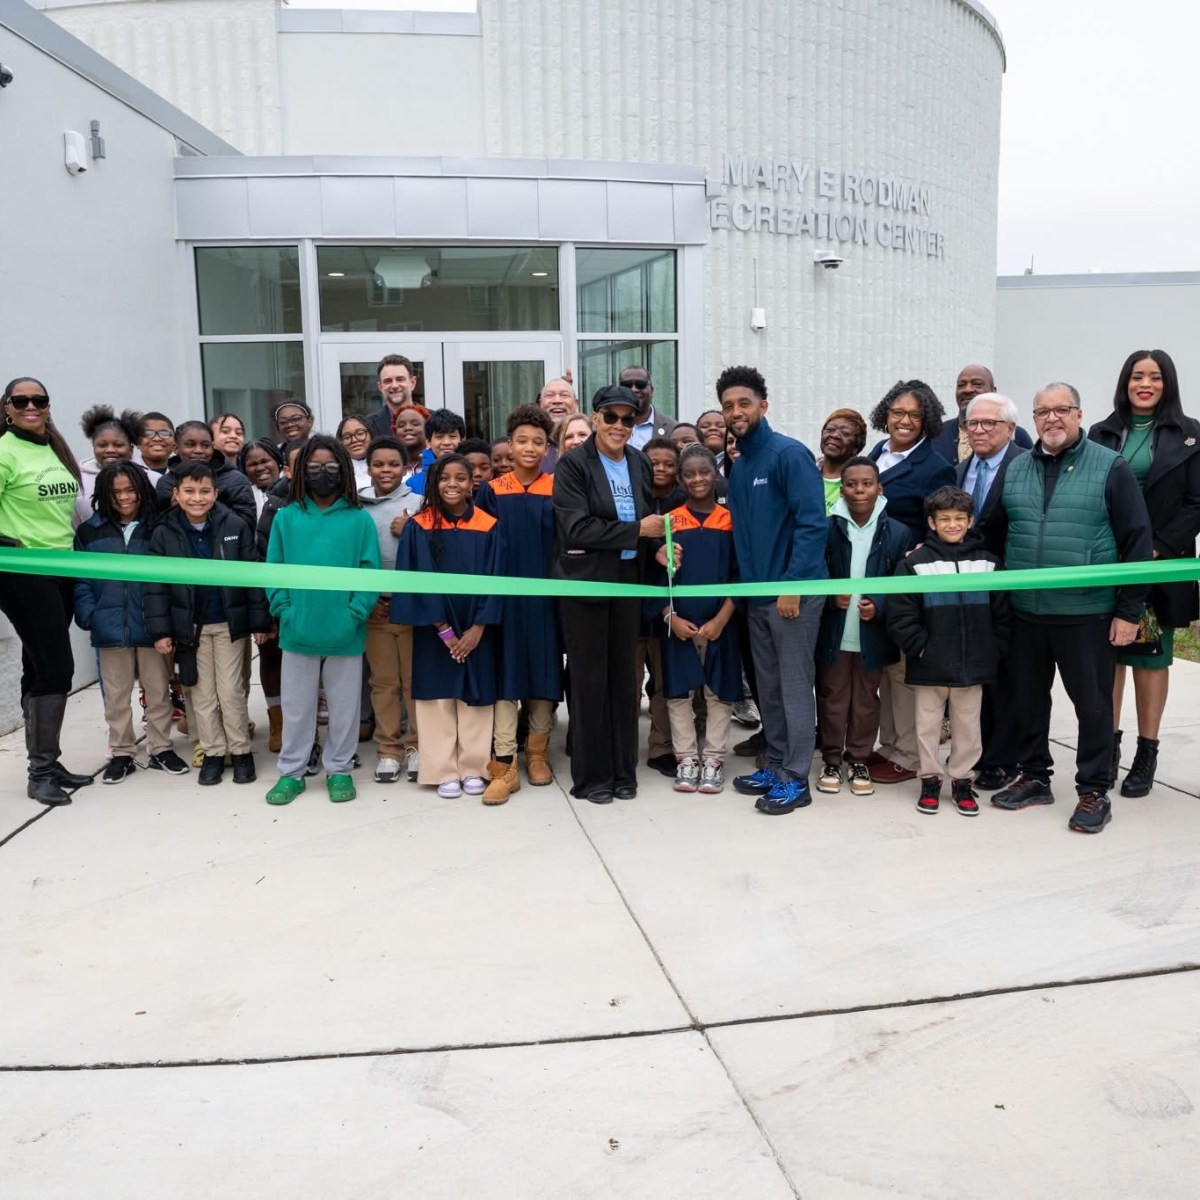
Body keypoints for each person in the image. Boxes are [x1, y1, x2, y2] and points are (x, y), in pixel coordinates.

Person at [986, 383, 1153, 834]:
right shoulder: (1016, 467)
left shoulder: (1110, 467)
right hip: (1026, 611)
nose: (1052, 419)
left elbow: (1138, 542)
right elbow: (990, 531)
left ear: (1079, 415)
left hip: (1087, 611)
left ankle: (1094, 788)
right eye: (1043, 412)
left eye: (1062, 410)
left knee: (1093, 705)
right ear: (1033, 420)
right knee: (1026, 698)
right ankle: (1035, 776)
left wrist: (1129, 611)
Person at [1089, 349, 1200, 797]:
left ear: (1167, 383)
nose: (1145, 384)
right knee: (1107, 657)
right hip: (1106, 562)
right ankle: (1107, 748)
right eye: (1137, 376)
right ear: (1125, 382)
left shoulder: (1191, 435)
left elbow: (1197, 502)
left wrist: (1156, 546)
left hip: (1159, 560)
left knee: (1150, 657)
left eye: (1154, 377)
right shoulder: (1100, 433)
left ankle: (1146, 753)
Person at [719, 365, 828, 815]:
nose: (736, 411)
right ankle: (778, 762)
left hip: (792, 595)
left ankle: (797, 778)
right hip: (757, 596)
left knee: (794, 686)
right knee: (769, 686)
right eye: (728, 405)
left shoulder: (789, 455)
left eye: (745, 403)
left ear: (764, 406)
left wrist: (794, 585)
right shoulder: (742, 465)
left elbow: (811, 523)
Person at [552, 385, 661, 803]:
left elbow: (647, 521)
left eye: (627, 419)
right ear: (595, 418)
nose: (619, 426)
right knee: (589, 681)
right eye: (610, 417)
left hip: (628, 581)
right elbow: (575, 529)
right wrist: (638, 531)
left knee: (624, 681)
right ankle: (592, 777)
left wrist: (660, 545)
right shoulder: (574, 465)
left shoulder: (638, 462)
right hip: (586, 585)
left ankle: (622, 772)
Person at [264, 436, 380, 806]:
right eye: (314, 467)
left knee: (345, 709)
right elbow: (274, 569)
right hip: (297, 629)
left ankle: (340, 769)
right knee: (297, 708)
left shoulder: (359, 519)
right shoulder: (286, 517)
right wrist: (284, 609)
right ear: (301, 473)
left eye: (331, 467)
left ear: (344, 471)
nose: (323, 474)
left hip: (346, 630)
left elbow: (369, 571)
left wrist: (356, 612)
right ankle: (292, 772)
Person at [886, 485, 1010, 817]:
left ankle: (962, 781)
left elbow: (1002, 614)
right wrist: (921, 648)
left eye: (959, 518)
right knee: (926, 725)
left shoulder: (988, 563)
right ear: (932, 522)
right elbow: (900, 614)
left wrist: (993, 650)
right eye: (945, 519)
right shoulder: (915, 563)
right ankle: (929, 779)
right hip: (930, 664)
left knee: (968, 725)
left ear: (970, 521)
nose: (952, 525)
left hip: (973, 665)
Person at [144, 461, 270, 786]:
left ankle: (240, 751)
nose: (197, 498)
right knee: (200, 694)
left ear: (215, 493)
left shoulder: (235, 524)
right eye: (189, 491)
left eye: (204, 491)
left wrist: (259, 620)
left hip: (229, 624)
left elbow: (252, 576)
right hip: (191, 629)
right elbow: (156, 586)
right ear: (176, 494)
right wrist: (161, 631)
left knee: (230, 691)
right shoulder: (164, 532)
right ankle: (213, 752)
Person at [0, 377, 92, 805]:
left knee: (37, 666)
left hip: (62, 567)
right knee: (57, 668)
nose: (31, 406)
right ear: (8, 407)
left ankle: (48, 763)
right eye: (22, 400)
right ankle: (40, 772)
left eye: (39, 400)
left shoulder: (54, 449)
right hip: (24, 572)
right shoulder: (4, 450)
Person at [392, 454, 502, 801]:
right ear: (433, 483)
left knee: (476, 699)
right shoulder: (419, 525)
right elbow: (415, 580)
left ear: (472, 483)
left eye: (460, 478)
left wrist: (478, 628)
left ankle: (474, 766)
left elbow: (496, 579)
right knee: (437, 696)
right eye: (444, 478)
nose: (452, 484)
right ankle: (441, 768)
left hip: (475, 628)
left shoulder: (488, 525)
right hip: (434, 630)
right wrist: (444, 629)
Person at [74, 464, 190, 782]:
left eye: (130, 490)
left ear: (142, 490)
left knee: (158, 692)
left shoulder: (158, 528)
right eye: (116, 492)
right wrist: (89, 614)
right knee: (116, 695)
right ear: (104, 496)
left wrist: (167, 621)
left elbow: (170, 578)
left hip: (151, 627)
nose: (124, 497)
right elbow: (82, 580)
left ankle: (161, 748)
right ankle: (122, 751)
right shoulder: (90, 531)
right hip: (108, 627)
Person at [866, 380, 955, 786]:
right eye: (897, 412)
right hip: (872, 577)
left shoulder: (936, 467)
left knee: (904, 673)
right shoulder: (876, 453)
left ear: (927, 421)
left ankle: (909, 754)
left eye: (914, 415)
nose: (904, 421)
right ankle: (889, 745)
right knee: (885, 668)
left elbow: (936, 531)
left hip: (904, 581)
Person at [475, 404, 561, 802]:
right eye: (522, 440)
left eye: (538, 442)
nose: (529, 448)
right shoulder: (492, 490)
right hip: (506, 599)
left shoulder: (557, 488)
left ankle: (538, 752)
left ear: (548, 448)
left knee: (544, 674)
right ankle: (505, 762)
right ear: (509, 445)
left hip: (545, 598)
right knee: (506, 677)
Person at [815, 457, 913, 798]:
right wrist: (831, 599)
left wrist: (881, 605)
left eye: (867, 483)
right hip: (836, 631)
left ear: (879, 488)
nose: (859, 490)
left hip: (873, 632)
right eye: (852, 484)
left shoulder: (898, 531)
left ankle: (858, 758)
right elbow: (817, 573)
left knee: (867, 699)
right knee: (832, 697)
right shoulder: (828, 526)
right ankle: (830, 759)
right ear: (842, 489)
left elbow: (903, 582)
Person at [648, 445, 741, 794]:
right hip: (679, 622)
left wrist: (722, 618)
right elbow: (658, 581)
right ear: (679, 478)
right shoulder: (670, 524)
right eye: (689, 474)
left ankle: (714, 758)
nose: (698, 479)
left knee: (719, 693)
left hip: (721, 621)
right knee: (678, 692)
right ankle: (686, 757)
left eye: (704, 472)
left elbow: (739, 575)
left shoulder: (730, 521)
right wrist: (669, 615)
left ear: (715, 475)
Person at [954, 392, 1030, 791]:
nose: (979, 430)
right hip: (971, 586)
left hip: (1010, 585)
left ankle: (1005, 759)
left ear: (1011, 429)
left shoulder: (1026, 464)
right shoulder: (962, 468)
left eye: (989, 423)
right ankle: (980, 753)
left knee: (1009, 676)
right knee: (981, 674)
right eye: (972, 423)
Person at [359, 435, 422, 784]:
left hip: (410, 609)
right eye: (379, 464)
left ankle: (416, 744)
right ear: (368, 468)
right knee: (383, 682)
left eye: (393, 464)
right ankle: (388, 749)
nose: (386, 470)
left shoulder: (420, 502)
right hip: (376, 610)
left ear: (405, 467)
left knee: (413, 682)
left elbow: (434, 550)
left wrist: (411, 529)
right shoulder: (357, 507)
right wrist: (370, 601)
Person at [238, 437, 290, 752]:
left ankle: (303, 722)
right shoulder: (241, 499)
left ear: (278, 462)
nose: (259, 468)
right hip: (257, 591)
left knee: (297, 658)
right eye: (252, 464)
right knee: (270, 656)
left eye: (264, 461)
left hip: (290, 589)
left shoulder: (295, 495)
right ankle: (277, 722)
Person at [639, 436, 685, 775]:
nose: (662, 469)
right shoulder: (628, 500)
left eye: (669, 464)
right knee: (627, 682)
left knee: (663, 682)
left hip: (667, 607)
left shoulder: (683, 503)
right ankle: (623, 743)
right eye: (654, 463)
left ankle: (661, 747)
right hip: (629, 605)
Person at [155, 420, 258, 534]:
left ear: (212, 448)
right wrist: (176, 510)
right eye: (190, 445)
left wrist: (207, 504)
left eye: (205, 445)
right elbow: (157, 526)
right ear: (176, 448)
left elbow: (247, 525)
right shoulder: (166, 483)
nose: (199, 450)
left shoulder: (235, 480)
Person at [933, 364, 1034, 464]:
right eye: (961, 385)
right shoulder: (938, 434)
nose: (967, 389)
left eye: (977, 384)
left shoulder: (1015, 435)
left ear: (993, 391)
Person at [75, 405, 142, 525]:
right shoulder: (77, 481)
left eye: (118, 445)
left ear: (131, 449)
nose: (110, 450)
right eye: (102, 445)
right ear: (94, 448)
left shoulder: (150, 478)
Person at [816, 408, 868, 515]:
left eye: (845, 433)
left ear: (857, 445)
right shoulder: (806, 471)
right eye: (830, 430)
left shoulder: (860, 485)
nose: (835, 435)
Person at [409, 408, 465, 496]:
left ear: (462, 440)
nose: (446, 442)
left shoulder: (472, 475)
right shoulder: (413, 484)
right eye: (439, 437)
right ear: (428, 442)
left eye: (452, 436)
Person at [620, 365, 678, 449]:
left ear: (652, 391)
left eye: (640, 384)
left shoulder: (672, 428)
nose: (634, 390)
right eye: (626, 385)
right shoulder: (607, 425)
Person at [366, 354, 418, 440]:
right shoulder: (368, 425)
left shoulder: (432, 419)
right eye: (388, 381)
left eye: (400, 379)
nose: (394, 385)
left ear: (412, 383)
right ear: (380, 387)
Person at [537, 377, 579, 472]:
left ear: (576, 403)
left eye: (564, 395)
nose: (557, 401)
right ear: (540, 404)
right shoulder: (532, 444)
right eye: (550, 396)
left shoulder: (588, 441)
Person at [394, 405, 433, 483]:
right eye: (401, 425)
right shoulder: (391, 466)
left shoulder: (437, 462)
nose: (408, 428)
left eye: (415, 424)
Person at [134, 411, 175, 481]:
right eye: (148, 434)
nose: (157, 439)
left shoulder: (180, 475)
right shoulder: (130, 472)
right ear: (137, 442)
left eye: (164, 433)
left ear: (175, 441)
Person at [337, 414, 373, 489]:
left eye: (360, 433)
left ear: (371, 434)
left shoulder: (385, 464)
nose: (354, 440)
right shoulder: (337, 470)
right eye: (347, 437)